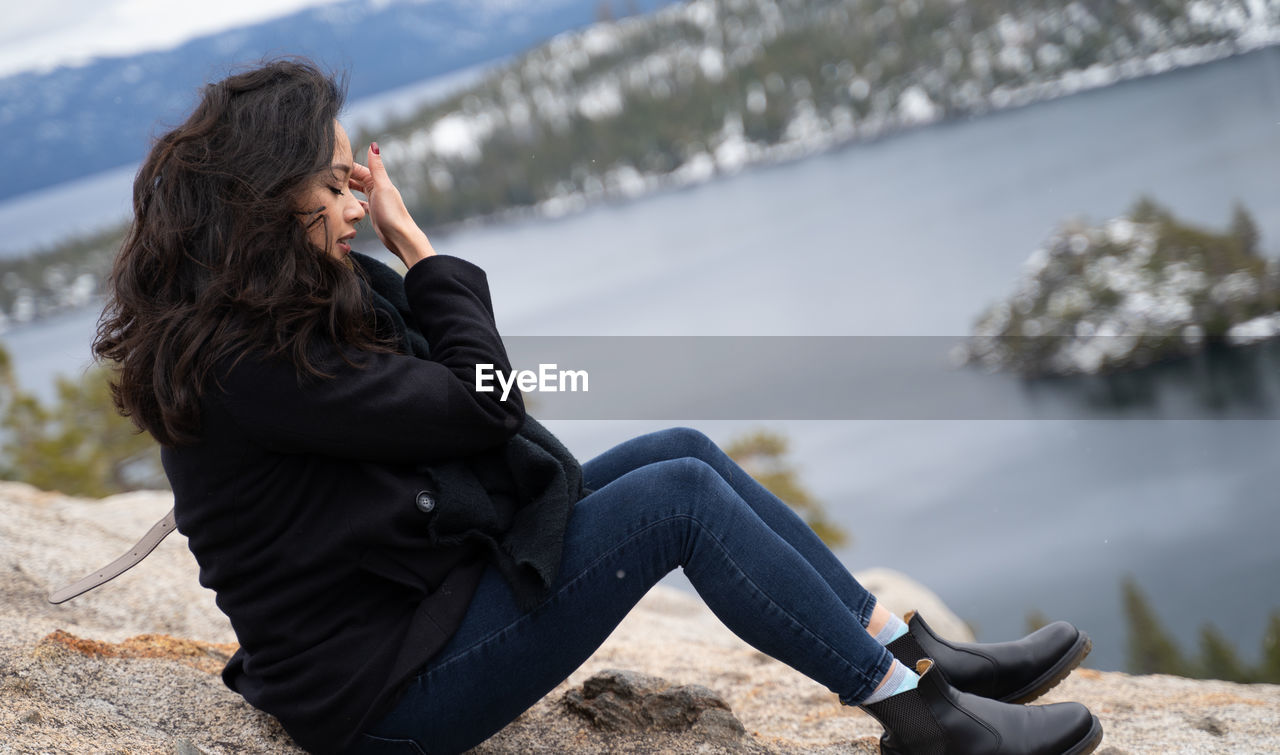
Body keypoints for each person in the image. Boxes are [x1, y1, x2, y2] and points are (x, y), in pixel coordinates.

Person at [93, 58, 1104, 755]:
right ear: (271, 197)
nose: (358, 200)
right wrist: (419, 248)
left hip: (409, 618)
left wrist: (393, 258)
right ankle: (922, 718)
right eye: (336, 181)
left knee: (679, 447)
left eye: (358, 178)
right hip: (383, 695)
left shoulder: (268, 313)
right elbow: (479, 404)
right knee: (676, 501)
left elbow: (465, 396)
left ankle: (914, 654)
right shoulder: (253, 361)